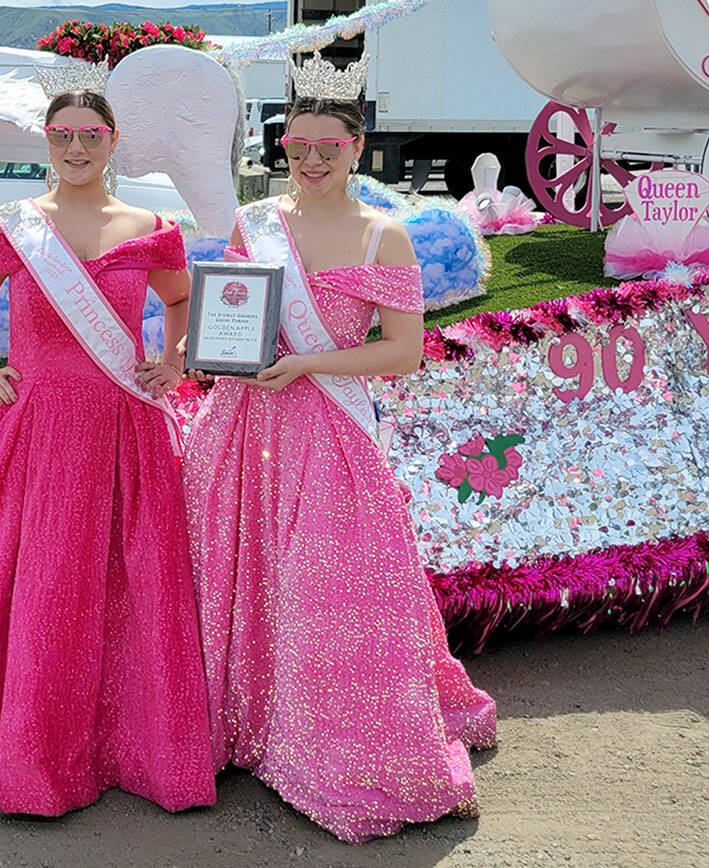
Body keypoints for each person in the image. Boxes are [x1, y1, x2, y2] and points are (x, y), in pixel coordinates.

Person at [0, 85, 216, 816]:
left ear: (113, 140)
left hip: (122, 425)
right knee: (25, 581)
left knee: (122, 582)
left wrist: (174, 356)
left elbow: (182, 300)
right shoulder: (10, 227)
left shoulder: (152, 227)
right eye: (62, 135)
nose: (76, 148)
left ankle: (124, 744)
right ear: (47, 140)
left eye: (91, 135)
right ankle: (16, 751)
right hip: (32, 427)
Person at [183, 54, 497, 843]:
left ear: (357, 147)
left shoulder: (384, 234)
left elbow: (402, 353)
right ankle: (247, 724)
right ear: (280, 147)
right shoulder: (253, 224)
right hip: (244, 425)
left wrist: (309, 363)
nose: (312, 159)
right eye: (298, 146)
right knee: (242, 573)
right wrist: (216, 353)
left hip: (329, 429)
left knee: (332, 589)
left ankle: (330, 744)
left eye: (329, 146)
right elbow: (230, 315)